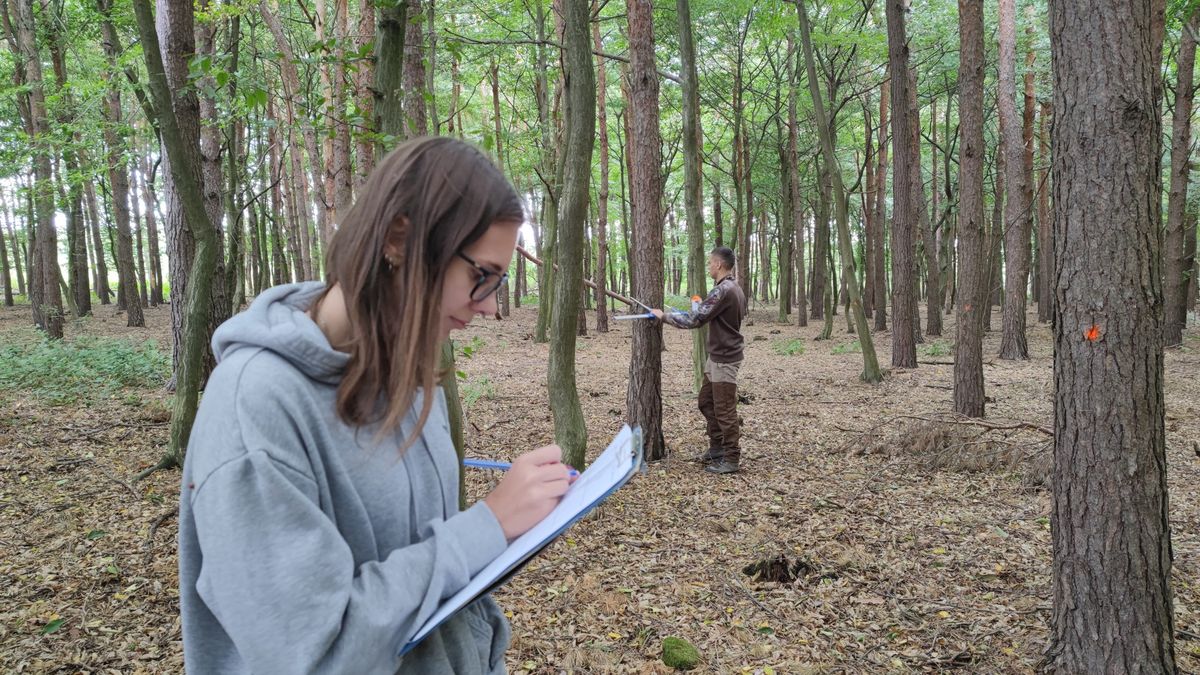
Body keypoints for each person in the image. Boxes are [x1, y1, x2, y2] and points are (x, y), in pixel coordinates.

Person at [177, 137, 576, 673]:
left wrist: (511, 531)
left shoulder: (410, 373)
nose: (489, 307)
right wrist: (486, 526)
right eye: (480, 276)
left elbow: (428, 573)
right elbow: (317, 656)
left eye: (498, 281)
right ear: (398, 239)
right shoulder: (256, 408)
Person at [650, 247, 747, 474]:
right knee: (706, 401)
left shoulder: (724, 290)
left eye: (711, 262)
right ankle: (717, 448)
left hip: (725, 359)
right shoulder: (732, 288)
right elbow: (706, 313)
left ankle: (731, 458)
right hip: (717, 356)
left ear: (719, 265)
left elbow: (695, 319)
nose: (709, 266)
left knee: (725, 410)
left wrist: (663, 316)